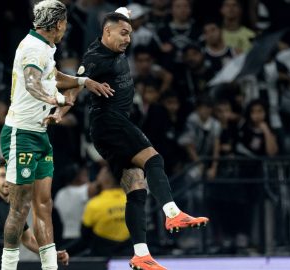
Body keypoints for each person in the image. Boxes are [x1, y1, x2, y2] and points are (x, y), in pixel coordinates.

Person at [49, 10, 209, 270]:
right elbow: (75, 88)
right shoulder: (94, 58)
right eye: (123, 34)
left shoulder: (108, 38)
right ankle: (172, 213)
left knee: (136, 187)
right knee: (153, 159)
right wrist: (60, 112)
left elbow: (118, 16)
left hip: (109, 129)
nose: (128, 40)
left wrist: (125, 13)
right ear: (107, 32)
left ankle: (140, 254)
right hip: (110, 123)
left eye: (130, 34)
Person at [0, 1, 113, 270]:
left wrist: (83, 82)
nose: (66, 28)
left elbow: (52, 76)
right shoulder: (32, 48)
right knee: (19, 208)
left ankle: (49, 267)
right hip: (21, 133)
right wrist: (55, 99)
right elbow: (31, 82)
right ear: (58, 24)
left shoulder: (45, 47)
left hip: (39, 134)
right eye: (65, 23)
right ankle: (8, 266)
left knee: (44, 203)